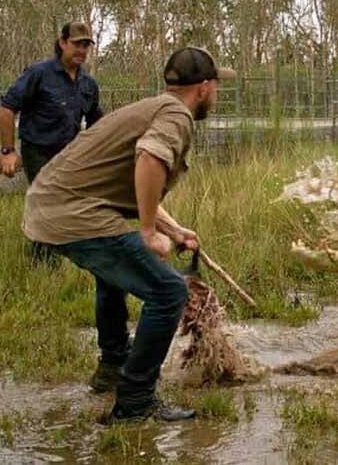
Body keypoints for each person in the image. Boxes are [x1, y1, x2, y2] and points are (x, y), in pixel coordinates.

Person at [22, 47, 235, 423]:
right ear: (203, 87)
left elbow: (130, 178)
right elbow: (149, 159)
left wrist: (173, 229)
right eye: (217, 86)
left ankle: (113, 366)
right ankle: (134, 401)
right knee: (169, 293)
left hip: (53, 203)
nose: (217, 94)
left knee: (111, 277)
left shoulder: (154, 107)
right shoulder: (177, 115)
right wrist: (150, 232)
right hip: (71, 211)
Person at [0, 22, 103, 183]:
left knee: (71, 202)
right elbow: (7, 108)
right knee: (48, 200)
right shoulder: (39, 74)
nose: (81, 50)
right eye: (76, 44)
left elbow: (95, 123)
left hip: (69, 154)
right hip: (38, 153)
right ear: (63, 43)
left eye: (85, 45)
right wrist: (8, 151)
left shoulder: (88, 84)